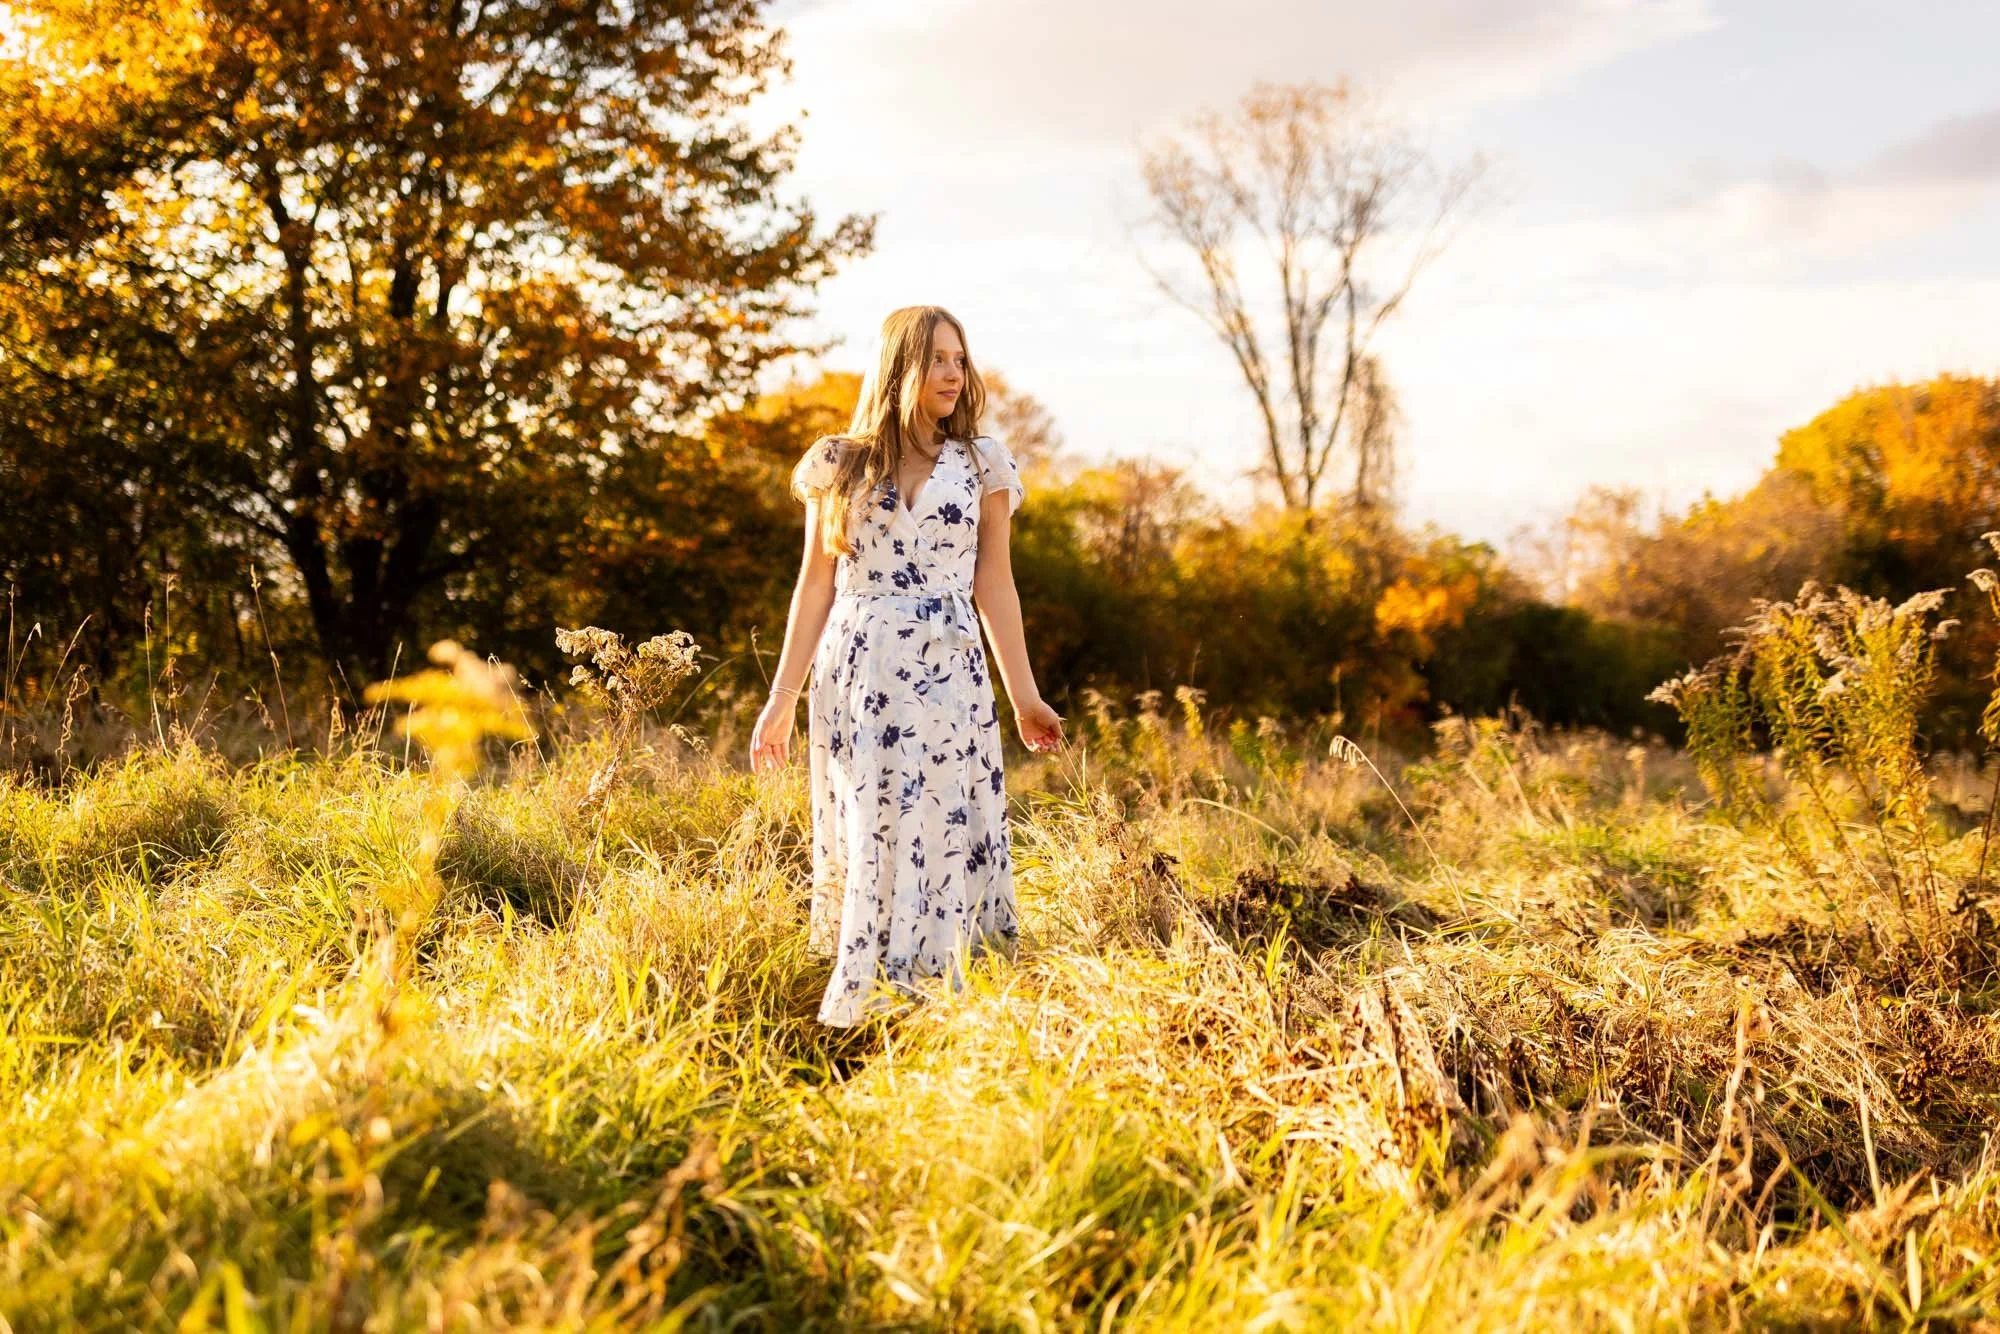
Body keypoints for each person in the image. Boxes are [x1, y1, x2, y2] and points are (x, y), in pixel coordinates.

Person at [749, 305, 1065, 1027]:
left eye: (960, 358)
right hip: (860, 672)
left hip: (951, 671)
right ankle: (867, 1002)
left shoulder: (983, 463)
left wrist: (1025, 695)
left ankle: (948, 1003)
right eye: (937, 360)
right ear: (900, 368)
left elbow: (995, 584)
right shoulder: (839, 462)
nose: (954, 373)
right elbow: (815, 586)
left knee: (948, 821)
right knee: (874, 824)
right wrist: (779, 702)